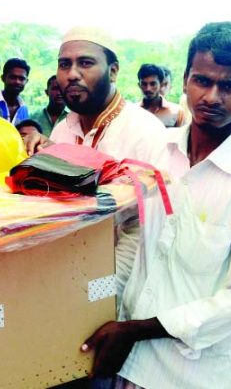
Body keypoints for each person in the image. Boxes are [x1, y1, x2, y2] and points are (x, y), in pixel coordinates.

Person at [82, 22, 231, 388]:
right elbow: (126, 233)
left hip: (193, 376)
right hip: (125, 363)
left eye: (230, 86)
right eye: (202, 80)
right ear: (184, 80)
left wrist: (134, 330)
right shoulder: (157, 152)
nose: (211, 96)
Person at [26, 27, 166, 297]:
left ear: (113, 71)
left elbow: (144, 231)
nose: (72, 74)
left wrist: (98, 296)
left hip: (119, 291)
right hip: (63, 276)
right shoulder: (61, 131)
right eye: (64, 64)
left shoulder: (144, 131)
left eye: (85, 63)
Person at [137, 63, 186, 127]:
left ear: (161, 85)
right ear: (139, 85)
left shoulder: (177, 112)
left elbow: (182, 136)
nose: (148, 89)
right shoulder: (132, 112)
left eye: (153, 84)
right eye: (144, 84)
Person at [0, 57, 30, 124]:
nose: (17, 82)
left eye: (21, 79)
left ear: (26, 81)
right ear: (3, 78)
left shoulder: (24, 109)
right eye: (13, 77)